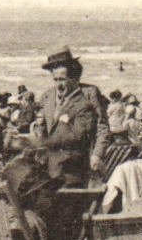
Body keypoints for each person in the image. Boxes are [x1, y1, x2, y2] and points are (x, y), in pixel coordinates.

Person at [29, 48, 109, 186]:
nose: (59, 84)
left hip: (78, 160)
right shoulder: (47, 97)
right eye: (55, 80)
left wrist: (97, 155)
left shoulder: (89, 93)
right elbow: (43, 129)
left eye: (63, 80)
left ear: (74, 78)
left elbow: (102, 128)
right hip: (52, 161)